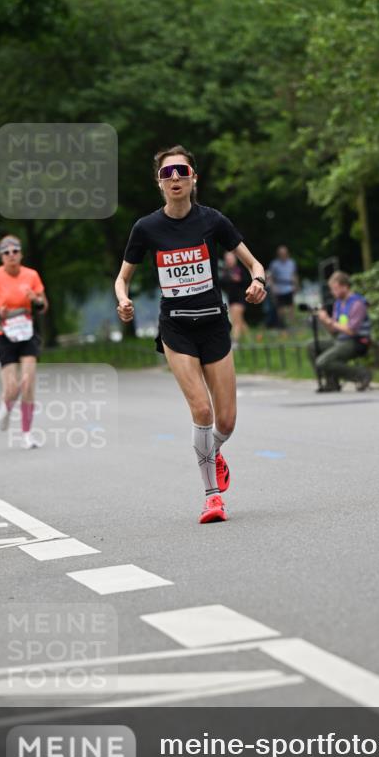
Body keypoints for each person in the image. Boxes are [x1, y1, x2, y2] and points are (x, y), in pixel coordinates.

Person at [114, 145, 267, 524]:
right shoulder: (146, 228)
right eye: (167, 174)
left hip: (214, 325)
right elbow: (122, 278)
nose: (176, 178)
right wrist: (123, 301)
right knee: (202, 410)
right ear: (159, 183)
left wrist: (258, 280)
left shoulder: (212, 220)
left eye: (182, 171)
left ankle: (211, 452)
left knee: (227, 422)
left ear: (194, 177)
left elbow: (254, 262)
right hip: (176, 328)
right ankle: (212, 497)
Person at [0, 235, 48, 449]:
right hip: (3, 335)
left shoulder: (31, 275)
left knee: (28, 383)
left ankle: (27, 433)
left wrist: (35, 300)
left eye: (15, 251)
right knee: (12, 387)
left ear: (21, 253)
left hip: (26, 333)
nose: (11, 255)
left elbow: (44, 307)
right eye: (6, 252)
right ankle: (5, 408)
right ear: (1, 256)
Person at [308, 271, 372, 392]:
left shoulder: (357, 303)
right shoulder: (339, 304)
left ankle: (361, 374)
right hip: (341, 340)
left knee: (322, 362)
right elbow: (334, 331)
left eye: (335, 289)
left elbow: (351, 330)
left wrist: (330, 321)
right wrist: (324, 320)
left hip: (357, 341)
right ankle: (331, 381)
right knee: (312, 346)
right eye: (332, 289)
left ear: (345, 286)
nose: (333, 292)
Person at [220, 251, 249, 343]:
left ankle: (235, 341)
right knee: (240, 320)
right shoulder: (225, 272)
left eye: (230, 259)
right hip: (231, 299)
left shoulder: (239, 270)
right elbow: (222, 283)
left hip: (240, 299)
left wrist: (238, 279)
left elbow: (246, 282)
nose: (229, 261)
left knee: (235, 320)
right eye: (227, 259)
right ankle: (249, 339)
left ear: (235, 259)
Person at [269, 245, 298, 327]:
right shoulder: (274, 264)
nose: (283, 254)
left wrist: (296, 285)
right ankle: (282, 324)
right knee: (280, 309)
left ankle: (292, 324)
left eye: (284, 253)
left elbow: (294, 275)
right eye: (281, 253)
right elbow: (271, 278)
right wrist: (273, 288)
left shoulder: (291, 263)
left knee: (291, 307)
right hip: (279, 288)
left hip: (289, 287)